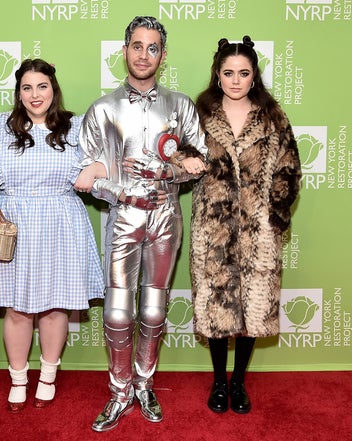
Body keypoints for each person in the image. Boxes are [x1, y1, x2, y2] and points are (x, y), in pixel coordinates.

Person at [76, 16, 207, 432]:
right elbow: (86, 174)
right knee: (117, 314)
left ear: (163, 55)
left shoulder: (181, 106)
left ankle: (144, 385)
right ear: (124, 50)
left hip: (167, 215)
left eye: (153, 48)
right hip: (122, 218)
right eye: (137, 45)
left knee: (153, 310)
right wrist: (120, 191)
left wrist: (165, 171)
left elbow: (200, 161)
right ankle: (119, 392)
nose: (144, 54)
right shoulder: (102, 109)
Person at [0, 59, 105, 413]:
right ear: (19, 93)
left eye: (42, 86)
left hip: (60, 221)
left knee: (54, 306)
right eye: (27, 88)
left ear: (54, 89)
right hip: (14, 222)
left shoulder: (77, 127)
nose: (35, 95)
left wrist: (95, 167)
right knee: (16, 309)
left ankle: (48, 375)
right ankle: (19, 379)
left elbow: (111, 159)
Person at [190, 36, 301, 415]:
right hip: (214, 229)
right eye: (228, 73)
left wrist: (276, 214)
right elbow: (181, 157)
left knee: (253, 309)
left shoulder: (272, 117)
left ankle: (239, 383)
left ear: (254, 77)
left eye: (243, 73)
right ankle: (219, 382)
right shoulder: (199, 114)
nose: (235, 80)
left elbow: (289, 167)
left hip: (258, 230)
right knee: (217, 308)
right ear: (217, 75)